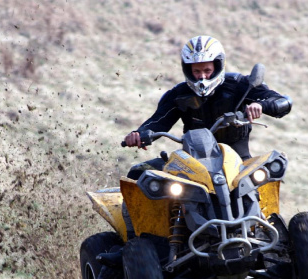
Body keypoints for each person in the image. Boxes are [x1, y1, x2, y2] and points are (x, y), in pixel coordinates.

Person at [123, 35, 292, 180]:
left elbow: (282, 101)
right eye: (196, 71)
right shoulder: (179, 94)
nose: (202, 76)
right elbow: (159, 121)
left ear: (217, 66)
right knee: (139, 173)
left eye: (207, 70)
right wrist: (139, 134)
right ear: (188, 70)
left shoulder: (239, 85)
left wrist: (260, 105)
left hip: (238, 161)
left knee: (267, 178)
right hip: (193, 163)